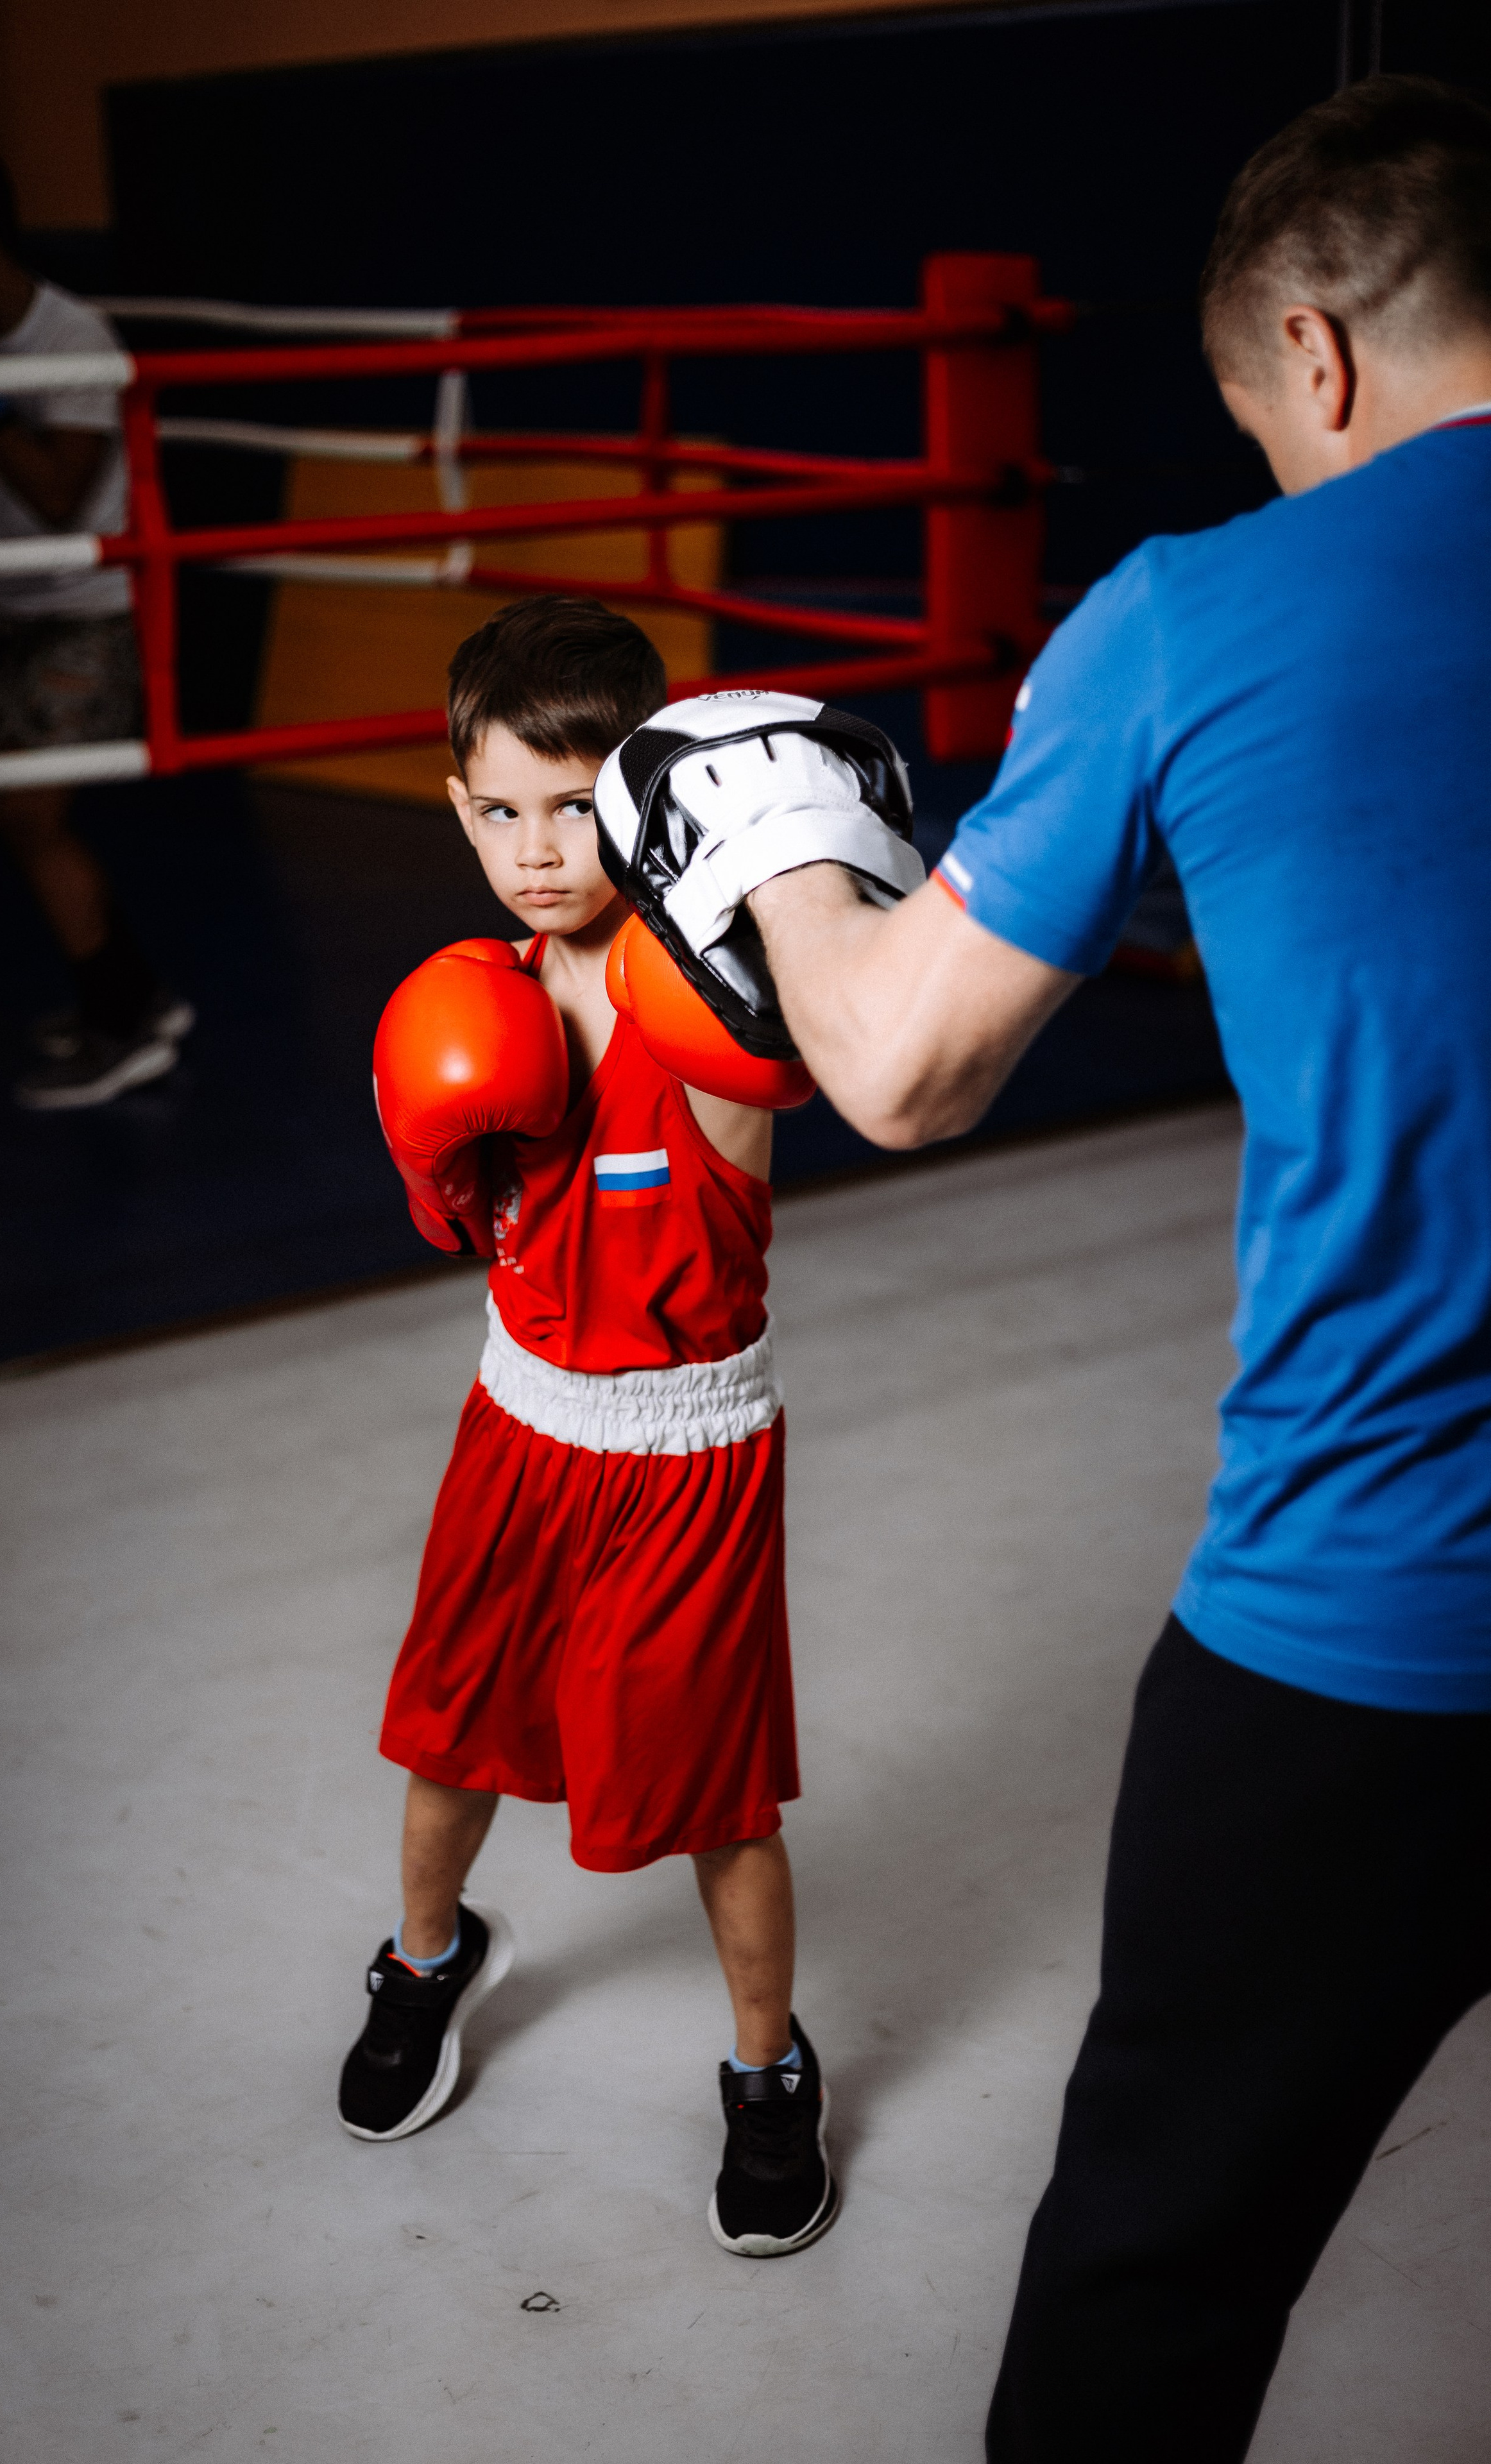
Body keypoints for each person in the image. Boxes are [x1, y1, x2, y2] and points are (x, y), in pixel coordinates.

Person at [597, 75, 1491, 2458]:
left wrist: (770, 822)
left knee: (1149, 2294)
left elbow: (902, 1070)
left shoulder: (1197, 609)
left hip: (1378, 1627)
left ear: (1311, 356)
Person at [338, 595, 839, 2259]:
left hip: (687, 1456)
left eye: (574, 805)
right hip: (517, 1429)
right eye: (501, 809)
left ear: (636, 798)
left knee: (717, 1798)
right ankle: (426, 1958)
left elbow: (789, 1063)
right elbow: (473, 1222)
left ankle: (768, 2072)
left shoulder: (701, 993)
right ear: (459, 798)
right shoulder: (475, 997)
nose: (537, 850)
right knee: (449, 1735)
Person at [0, 134, 190, 1111]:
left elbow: (62, 492)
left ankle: (123, 1028)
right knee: (27, 826)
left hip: (86, 614)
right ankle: (136, 994)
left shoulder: (74, 341)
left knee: (29, 814)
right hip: (8, 610)